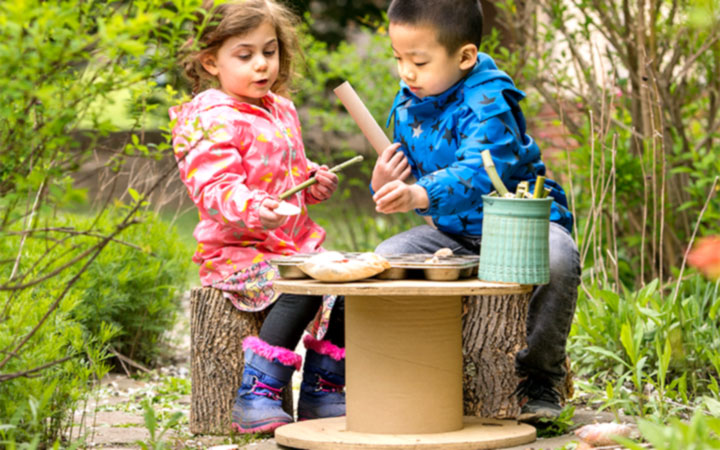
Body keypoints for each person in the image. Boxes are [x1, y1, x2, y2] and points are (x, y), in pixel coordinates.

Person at [371, 0, 581, 422]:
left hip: (517, 225)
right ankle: (406, 373)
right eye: (399, 59)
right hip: (452, 232)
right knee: (384, 260)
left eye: (419, 61)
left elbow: (479, 172)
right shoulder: (413, 97)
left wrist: (418, 195)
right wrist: (386, 179)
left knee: (557, 260)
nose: (406, 73)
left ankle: (540, 378)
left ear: (465, 56)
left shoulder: (490, 100)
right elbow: (415, 166)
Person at [170, 0, 345, 433]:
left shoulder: (280, 108)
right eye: (244, 55)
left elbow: (283, 171)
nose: (262, 65)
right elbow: (213, 188)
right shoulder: (208, 118)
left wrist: (311, 182)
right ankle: (257, 391)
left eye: (270, 51)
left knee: (348, 283)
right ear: (211, 61)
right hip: (236, 251)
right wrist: (250, 207)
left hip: (292, 244)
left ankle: (323, 389)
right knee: (301, 284)